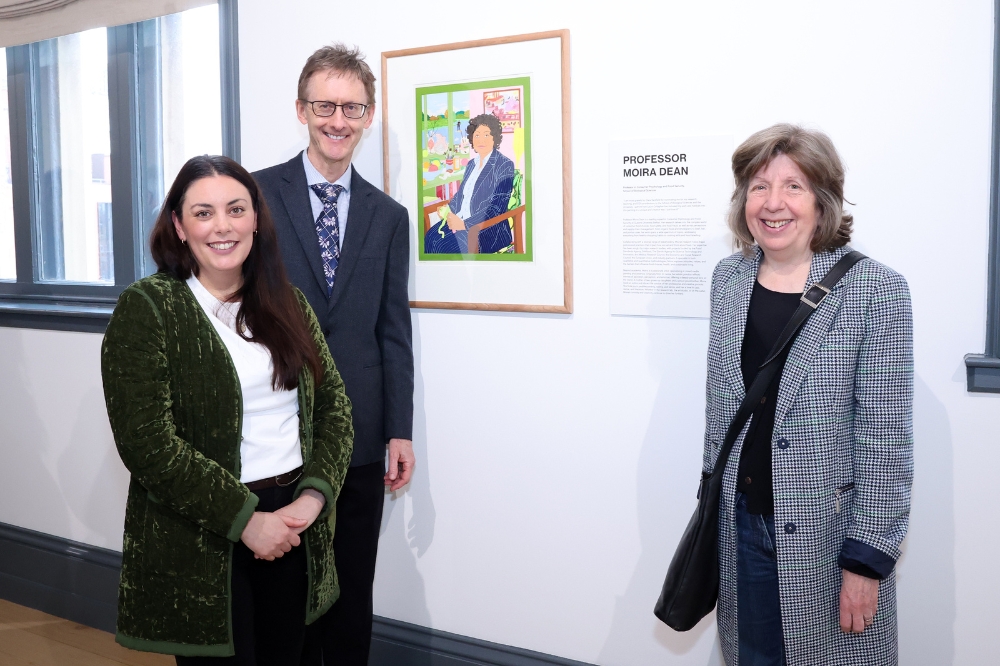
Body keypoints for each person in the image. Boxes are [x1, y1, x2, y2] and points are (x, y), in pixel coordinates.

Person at [101, 155, 354, 664]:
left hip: (294, 525)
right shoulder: (149, 307)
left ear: (255, 219)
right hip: (207, 534)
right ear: (179, 226)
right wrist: (247, 521)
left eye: (236, 209)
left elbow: (335, 410)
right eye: (203, 213)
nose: (223, 226)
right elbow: (148, 445)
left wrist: (311, 501)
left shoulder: (289, 302)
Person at [703, 124, 913, 665]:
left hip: (828, 536)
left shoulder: (875, 290)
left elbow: (886, 439)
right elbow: (720, 411)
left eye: (792, 186)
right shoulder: (728, 279)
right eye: (759, 186)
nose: (773, 203)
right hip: (742, 527)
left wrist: (865, 561)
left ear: (822, 201)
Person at [252, 43, 415, 666]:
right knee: (283, 596)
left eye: (353, 108)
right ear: (302, 109)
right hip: (275, 431)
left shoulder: (389, 216)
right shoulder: (254, 197)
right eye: (325, 106)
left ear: (368, 115)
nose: (338, 121)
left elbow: (393, 330)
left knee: (350, 591)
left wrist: (399, 429)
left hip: (362, 436)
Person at [423, 113, 516, 254]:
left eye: (486, 135)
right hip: (460, 221)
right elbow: (462, 194)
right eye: (477, 135)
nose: (481, 140)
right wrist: (448, 208)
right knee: (430, 237)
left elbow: (497, 208)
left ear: (495, 137)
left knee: (440, 246)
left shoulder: (504, 164)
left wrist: (465, 224)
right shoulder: (472, 164)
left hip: (486, 231)